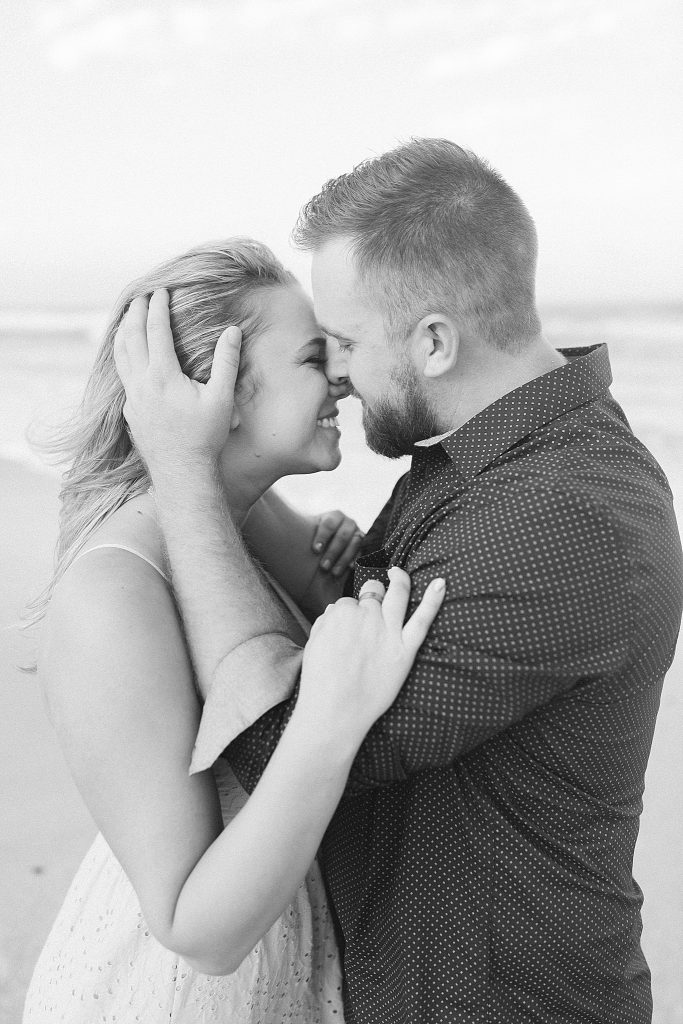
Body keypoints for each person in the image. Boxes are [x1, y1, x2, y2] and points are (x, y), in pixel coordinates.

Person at [116, 139, 683, 1024]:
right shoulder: (479, 459)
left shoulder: (561, 523)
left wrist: (187, 473)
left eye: (342, 342)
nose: (335, 369)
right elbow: (339, 644)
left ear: (432, 341)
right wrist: (234, 467)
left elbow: (271, 744)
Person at [21, 238, 446, 1024]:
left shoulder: (235, 521)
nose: (345, 382)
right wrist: (329, 717)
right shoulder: (114, 594)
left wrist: (340, 562)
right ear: (223, 392)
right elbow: (196, 930)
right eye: (316, 358)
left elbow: (327, 613)